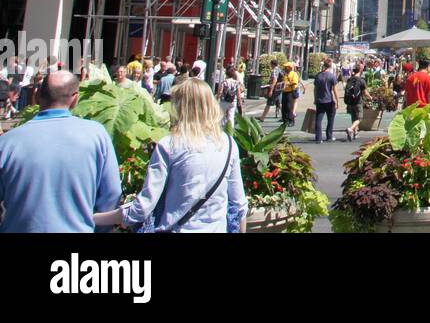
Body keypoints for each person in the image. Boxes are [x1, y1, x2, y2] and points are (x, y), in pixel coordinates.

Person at [95, 77, 247, 233]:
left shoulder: (169, 145)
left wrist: (95, 218)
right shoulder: (228, 144)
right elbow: (239, 204)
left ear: (180, 107)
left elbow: (143, 207)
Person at [0, 71, 121, 232]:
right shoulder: (97, 135)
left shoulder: (7, 142)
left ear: (36, 95)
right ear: (75, 99)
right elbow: (112, 194)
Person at [314, 58, 338, 143]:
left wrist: (315, 98)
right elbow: (334, 90)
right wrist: (337, 101)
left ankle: (318, 137)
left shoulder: (318, 75)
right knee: (330, 119)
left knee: (318, 119)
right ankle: (329, 136)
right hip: (329, 100)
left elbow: (315, 89)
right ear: (331, 65)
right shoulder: (332, 76)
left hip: (320, 100)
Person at [343, 70, 365, 141]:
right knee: (359, 118)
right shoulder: (361, 80)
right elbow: (365, 92)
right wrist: (370, 97)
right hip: (358, 101)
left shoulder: (350, 80)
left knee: (353, 116)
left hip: (350, 101)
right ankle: (351, 129)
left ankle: (355, 133)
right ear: (360, 73)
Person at [280, 62, 301, 126]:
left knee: (289, 107)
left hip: (290, 92)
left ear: (290, 68)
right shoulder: (285, 74)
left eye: (286, 67)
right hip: (285, 91)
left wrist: (287, 84)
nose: (285, 68)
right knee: (284, 107)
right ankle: (285, 121)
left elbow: (295, 82)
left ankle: (291, 120)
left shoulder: (294, 74)